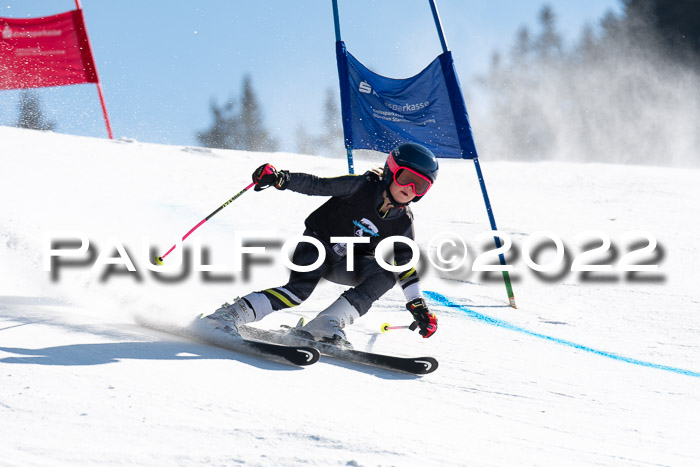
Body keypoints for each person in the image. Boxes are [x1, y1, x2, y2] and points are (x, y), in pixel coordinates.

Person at [202, 142, 438, 343]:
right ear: (390, 171)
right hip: (316, 245)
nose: (410, 189)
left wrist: (418, 306)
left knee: (387, 273)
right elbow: (317, 185)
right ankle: (228, 315)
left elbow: (404, 265)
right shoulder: (360, 187)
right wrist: (281, 179)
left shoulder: (403, 222)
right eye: (406, 178)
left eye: (420, 185)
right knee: (297, 293)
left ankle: (326, 323)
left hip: (346, 263)